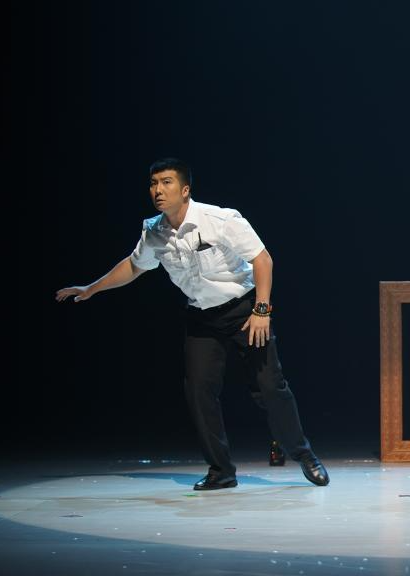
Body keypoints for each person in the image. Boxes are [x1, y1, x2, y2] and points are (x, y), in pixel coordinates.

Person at [56, 158, 329, 490]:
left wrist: (262, 310)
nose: (158, 190)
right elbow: (134, 266)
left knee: (270, 387)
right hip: (202, 317)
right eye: (153, 183)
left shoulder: (219, 220)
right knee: (198, 392)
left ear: (185, 190)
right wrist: (92, 288)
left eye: (166, 182)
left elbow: (262, 259)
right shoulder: (154, 232)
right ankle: (221, 471)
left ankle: (304, 455)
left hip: (244, 310)